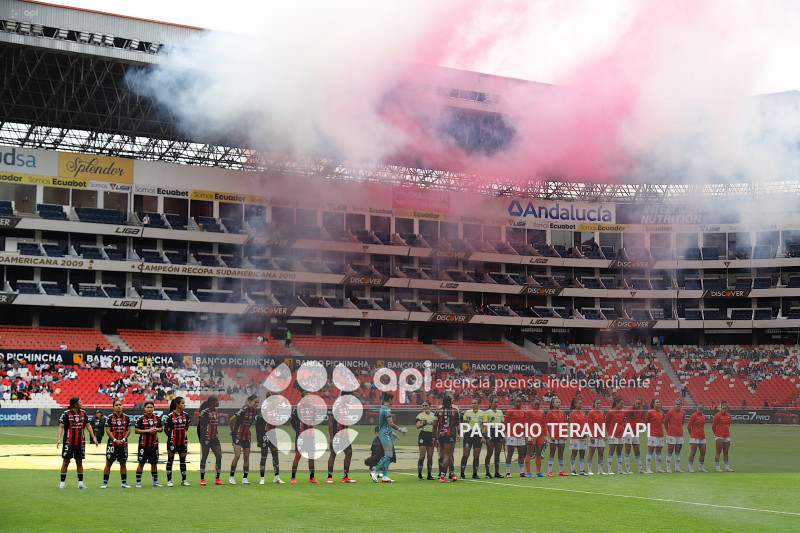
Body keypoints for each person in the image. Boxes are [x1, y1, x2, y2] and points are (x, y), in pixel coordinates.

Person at [57, 396, 98, 489]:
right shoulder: (66, 414)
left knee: (79, 462)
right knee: (66, 461)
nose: (82, 403)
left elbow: (88, 425)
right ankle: (62, 483)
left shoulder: (83, 413)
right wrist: (59, 439)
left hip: (80, 442)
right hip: (68, 442)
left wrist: (93, 438)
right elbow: (60, 427)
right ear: (75, 405)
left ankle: (80, 483)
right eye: (80, 402)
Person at [371, 391, 407, 483]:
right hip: (385, 434)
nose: (393, 401)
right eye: (393, 399)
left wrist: (392, 432)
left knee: (388, 456)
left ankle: (385, 476)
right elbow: (390, 423)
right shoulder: (387, 409)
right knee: (389, 455)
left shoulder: (383, 408)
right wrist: (400, 429)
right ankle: (374, 471)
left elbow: (385, 424)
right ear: (390, 399)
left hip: (387, 433)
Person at [101, 399, 132, 488]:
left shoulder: (126, 417)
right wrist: (115, 440)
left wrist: (123, 439)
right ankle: (105, 482)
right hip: (112, 443)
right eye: (116, 405)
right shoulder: (109, 417)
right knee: (109, 462)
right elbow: (108, 431)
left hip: (123, 443)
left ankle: (124, 482)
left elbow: (128, 430)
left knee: (123, 462)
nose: (118, 406)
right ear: (113, 407)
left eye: (120, 404)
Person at [327, 391, 357, 483]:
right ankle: (329, 477)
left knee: (349, 453)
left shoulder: (347, 407)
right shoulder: (336, 407)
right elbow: (331, 422)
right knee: (333, 454)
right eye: (349, 397)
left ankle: (345, 476)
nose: (350, 399)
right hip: (337, 435)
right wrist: (331, 437)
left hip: (345, 435)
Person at [256, 391, 285, 484]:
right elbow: (258, 425)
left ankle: (276, 477)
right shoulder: (264, 408)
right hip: (264, 434)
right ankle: (262, 479)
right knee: (264, 456)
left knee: (275, 455)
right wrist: (259, 438)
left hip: (272, 434)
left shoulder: (276, 408)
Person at [229, 394, 259, 485]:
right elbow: (231, 420)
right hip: (238, 435)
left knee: (246, 457)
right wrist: (232, 430)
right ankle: (231, 477)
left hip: (247, 436)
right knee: (237, 456)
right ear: (250, 401)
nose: (256, 404)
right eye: (255, 402)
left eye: (258, 402)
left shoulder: (255, 412)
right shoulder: (243, 409)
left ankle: (244, 478)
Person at [291, 390, 320, 483]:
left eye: (309, 397)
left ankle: (312, 477)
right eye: (307, 397)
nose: (309, 398)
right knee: (298, 455)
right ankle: (293, 478)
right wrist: (298, 431)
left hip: (310, 436)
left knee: (311, 456)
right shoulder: (298, 408)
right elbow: (292, 422)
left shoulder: (313, 408)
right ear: (302, 398)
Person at [134, 400, 163, 487]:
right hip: (143, 444)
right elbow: (136, 430)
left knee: (154, 463)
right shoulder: (140, 419)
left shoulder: (157, 418)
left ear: (153, 408)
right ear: (144, 408)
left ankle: (155, 481)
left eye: (151, 407)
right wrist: (148, 431)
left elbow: (161, 428)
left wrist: (156, 429)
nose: (149, 409)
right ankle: (138, 482)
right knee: (141, 463)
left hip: (154, 444)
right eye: (148, 407)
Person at [163, 396, 190, 486]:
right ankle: (169, 481)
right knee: (170, 460)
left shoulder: (186, 415)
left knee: (183, 460)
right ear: (177, 405)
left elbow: (186, 427)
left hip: (183, 441)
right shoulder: (170, 416)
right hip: (172, 441)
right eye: (182, 403)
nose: (184, 404)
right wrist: (171, 436)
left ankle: (184, 480)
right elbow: (166, 429)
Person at [197, 395, 224, 486]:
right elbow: (200, 425)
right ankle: (202, 479)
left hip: (214, 437)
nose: (218, 402)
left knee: (219, 456)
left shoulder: (216, 411)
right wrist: (201, 438)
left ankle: (217, 479)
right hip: (206, 437)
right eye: (217, 401)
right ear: (213, 402)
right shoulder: (205, 412)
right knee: (204, 456)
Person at [432, 393, 458, 483]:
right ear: (450, 402)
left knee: (445, 456)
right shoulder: (455, 411)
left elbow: (434, 425)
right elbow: (457, 424)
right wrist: (458, 434)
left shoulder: (437, 411)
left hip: (441, 435)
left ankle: (452, 473)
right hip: (450, 435)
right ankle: (442, 476)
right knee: (448, 456)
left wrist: (434, 438)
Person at [460, 398, 485, 479]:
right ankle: (462, 473)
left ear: (478, 404)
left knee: (476, 455)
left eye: (475, 403)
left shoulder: (482, 413)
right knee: (466, 454)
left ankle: (474, 474)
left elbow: (484, 425)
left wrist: (483, 436)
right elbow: (463, 423)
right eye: (472, 403)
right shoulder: (467, 412)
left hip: (478, 434)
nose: (473, 405)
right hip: (469, 434)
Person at [503, 396, 526, 478]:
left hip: (521, 435)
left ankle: (522, 472)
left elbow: (524, 423)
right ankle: (508, 472)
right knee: (510, 454)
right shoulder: (510, 411)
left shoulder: (523, 411)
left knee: (521, 454)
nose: (518, 403)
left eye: (520, 402)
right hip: (512, 434)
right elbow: (505, 422)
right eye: (517, 402)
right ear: (514, 402)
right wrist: (504, 433)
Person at [482, 395, 505, 479]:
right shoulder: (487, 413)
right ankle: (487, 473)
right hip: (491, 432)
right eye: (494, 402)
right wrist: (486, 437)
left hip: (498, 432)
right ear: (490, 403)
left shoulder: (500, 412)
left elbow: (502, 424)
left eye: (497, 402)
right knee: (489, 453)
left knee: (497, 454)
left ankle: (497, 472)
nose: (496, 404)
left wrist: (503, 435)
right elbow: (485, 425)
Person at [524, 396, 547, 477]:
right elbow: (526, 423)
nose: (537, 405)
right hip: (531, 434)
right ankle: (528, 472)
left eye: (538, 404)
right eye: (536, 404)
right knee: (529, 452)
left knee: (539, 453)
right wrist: (528, 435)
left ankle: (538, 472)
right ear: (532, 403)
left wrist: (545, 435)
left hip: (540, 434)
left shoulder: (542, 411)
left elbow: (543, 423)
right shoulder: (528, 411)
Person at [546, 397, 568, 476]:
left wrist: (565, 433)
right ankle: (550, 471)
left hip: (561, 435)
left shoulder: (562, 412)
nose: (559, 403)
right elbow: (548, 425)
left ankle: (561, 471)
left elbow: (565, 424)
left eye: (559, 402)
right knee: (552, 453)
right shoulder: (550, 413)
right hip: (554, 436)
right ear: (553, 404)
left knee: (561, 453)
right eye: (557, 402)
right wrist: (551, 435)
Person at [623, 397, 645, 473]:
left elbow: (640, 418)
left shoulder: (641, 409)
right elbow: (622, 416)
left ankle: (640, 469)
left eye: (639, 403)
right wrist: (624, 425)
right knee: (627, 450)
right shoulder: (630, 409)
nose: (638, 405)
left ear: (641, 403)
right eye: (637, 403)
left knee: (637, 451)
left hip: (636, 433)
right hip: (628, 432)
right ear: (634, 403)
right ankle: (628, 469)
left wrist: (640, 424)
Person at [415, 399, 436, 480]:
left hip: (431, 435)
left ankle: (429, 475)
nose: (424, 407)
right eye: (423, 406)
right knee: (422, 455)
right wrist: (426, 422)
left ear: (429, 406)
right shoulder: (420, 415)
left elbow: (436, 426)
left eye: (426, 405)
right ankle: (419, 474)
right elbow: (417, 426)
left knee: (430, 456)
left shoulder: (434, 415)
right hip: (423, 435)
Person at [664, 398, 686, 473]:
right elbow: (665, 422)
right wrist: (668, 430)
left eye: (678, 404)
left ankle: (677, 468)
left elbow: (682, 422)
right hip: (671, 434)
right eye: (676, 404)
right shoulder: (670, 412)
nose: (677, 406)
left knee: (677, 451)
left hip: (679, 434)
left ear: (681, 405)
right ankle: (668, 468)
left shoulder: (683, 412)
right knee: (670, 451)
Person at [586, 398, 606, 475]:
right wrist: (591, 436)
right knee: (591, 453)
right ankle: (589, 470)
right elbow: (589, 425)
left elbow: (603, 424)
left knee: (601, 453)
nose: (599, 405)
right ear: (594, 404)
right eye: (597, 403)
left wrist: (605, 434)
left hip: (601, 435)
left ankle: (600, 470)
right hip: (594, 435)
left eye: (600, 403)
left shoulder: (602, 413)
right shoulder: (591, 413)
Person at [568, 397, 588, 475]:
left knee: (582, 453)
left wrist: (585, 432)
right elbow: (574, 425)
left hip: (583, 436)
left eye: (581, 404)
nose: (581, 405)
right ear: (575, 404)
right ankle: (573, 470)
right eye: (579, 404)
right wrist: (581, 432)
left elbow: (586, 424)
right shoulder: (572, 413)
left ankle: (582, 470)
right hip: (575, 436)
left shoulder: (583, 413)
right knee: (574, 453)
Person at [712, 401, 734, 472]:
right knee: (718, 451)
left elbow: (729, 424)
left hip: (727, 435)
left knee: (726, 451)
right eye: (723, 408)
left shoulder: (728, 415)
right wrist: (716, 434)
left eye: (725, 409)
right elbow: (713, 426)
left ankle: (727, 467)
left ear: (727, 409)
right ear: (720, 408)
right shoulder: (717, 415)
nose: (724, 410)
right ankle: (717, 467)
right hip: (719, 435)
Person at [644, 398, 665, 473]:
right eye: (657, 402)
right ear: (653, 404)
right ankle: (648, 468)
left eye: (659, 402)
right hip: (652, 434)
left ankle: (658, 468)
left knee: (659, 451)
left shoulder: (662, 412)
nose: (658, 403)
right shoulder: (650, 412)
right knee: (650, 450)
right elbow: (646, 422)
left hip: (660, 434)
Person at [687, 402, 708, 473]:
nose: (700, 411)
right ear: (697, 408)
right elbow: (689, 426)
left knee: (703, 452)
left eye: (701, 409)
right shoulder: (693, 416)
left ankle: (701, 467)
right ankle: (690, 467)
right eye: (699, 409)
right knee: (693, 452)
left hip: (702, 436)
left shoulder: (703, 416)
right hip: (694, 436)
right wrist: (692, 433)